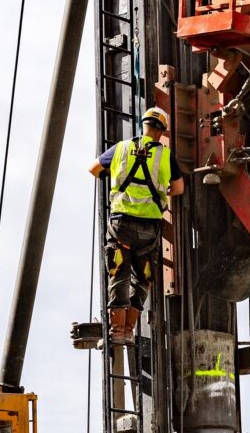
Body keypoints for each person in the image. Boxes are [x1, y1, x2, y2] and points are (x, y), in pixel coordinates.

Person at [88, 106, 185, 344]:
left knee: (118, 273)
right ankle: (129, 330)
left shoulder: (121, 148)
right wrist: (158, 195)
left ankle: (116, 331)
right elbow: (179, 189)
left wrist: (115, 178)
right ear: (162, 131)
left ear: (144, 126)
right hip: (149, 228)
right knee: (143, 278)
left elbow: (93, 169)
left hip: (121, 224)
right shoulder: (166, 155)